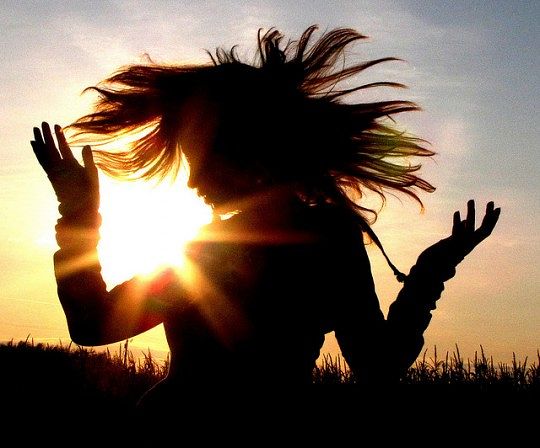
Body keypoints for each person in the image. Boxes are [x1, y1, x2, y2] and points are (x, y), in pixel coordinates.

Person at [31, 26, 500, 410]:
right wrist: (429, 276)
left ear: (244, 152)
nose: (191, 182)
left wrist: (79, 218)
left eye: (198, 160)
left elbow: (94, 326)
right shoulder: (329, 243)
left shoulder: (213, 253)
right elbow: (378, 366)